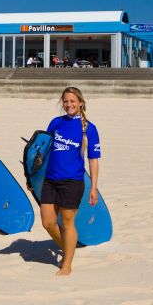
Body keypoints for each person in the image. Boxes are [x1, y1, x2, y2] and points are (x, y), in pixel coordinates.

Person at [39, 86, 101, 276]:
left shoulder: (89, 128)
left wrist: (94, 188)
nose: (69, 104)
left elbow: (93, 159)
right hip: (50, 179)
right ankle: (67, 248)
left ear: (81, 103)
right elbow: (43, 151)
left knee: (67, 222)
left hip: (72, 181)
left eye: (73, 101)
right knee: (48, 222)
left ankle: (67, 264)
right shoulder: (55, 123)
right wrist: (33, 177)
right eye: (66, 101)